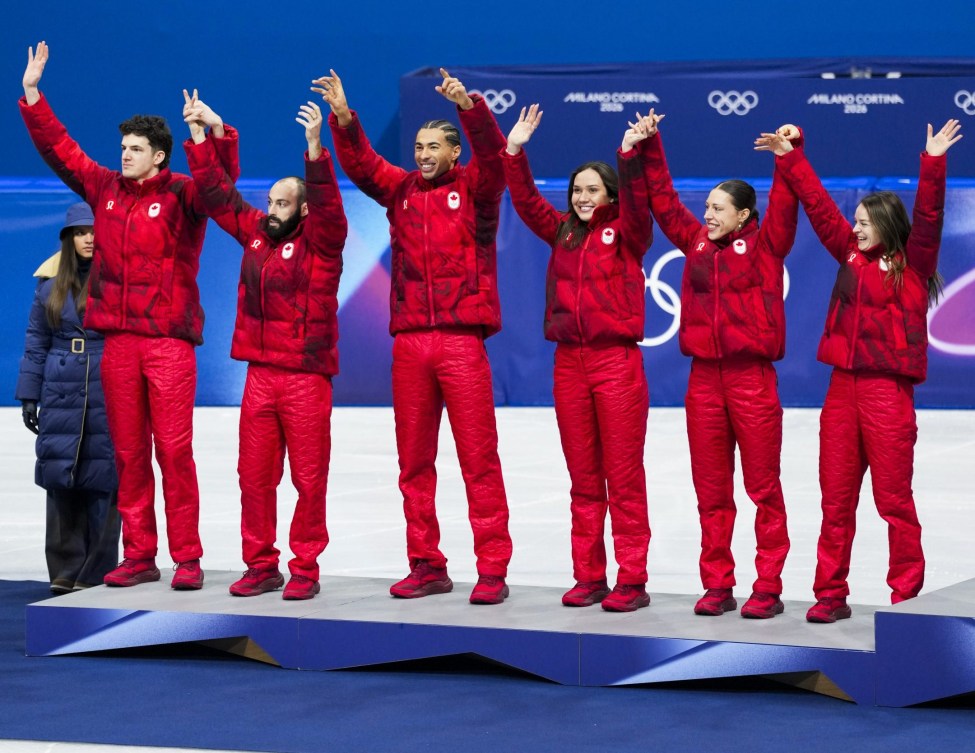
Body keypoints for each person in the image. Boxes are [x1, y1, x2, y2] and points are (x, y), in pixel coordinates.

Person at [20, 41, 239, 589]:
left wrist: (213, 132)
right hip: (117, 340)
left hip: (167, 342)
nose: (124, 154)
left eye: (135, 148)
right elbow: (61, 151)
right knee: (128, 452)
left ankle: (186, 559)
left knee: (174, 451)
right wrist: (32, 95)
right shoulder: (104, 190)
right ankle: (139, 554)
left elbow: (222, 189)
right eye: (123, 146)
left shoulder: (186, 194)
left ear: (159, 155)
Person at [318, 68, 513, 605]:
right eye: (419, 146)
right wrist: (342, 116)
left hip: (459, 341)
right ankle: (426, 563)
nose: (424, 154)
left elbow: (495, 161)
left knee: (479, 458)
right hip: (410, 344)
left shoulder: (476, 190)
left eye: (435, 147)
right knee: (413, 463)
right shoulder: (400, 190)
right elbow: (360, 164)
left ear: (455, 153)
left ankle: (492, 567)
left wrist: (468, 108)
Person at [756, 119, 963, 623]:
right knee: (836, 501)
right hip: (841, 391)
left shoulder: (914, 266)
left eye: (867, 221)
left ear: (888, 227)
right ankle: (830, 594)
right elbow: (820, 208)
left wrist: (932, 162)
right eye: (858, 220)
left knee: (894, 502)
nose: (856, 227)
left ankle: (906, 600)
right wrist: (790, 157)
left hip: (888, 394)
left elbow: (930, 213)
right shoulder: (848, 253)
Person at [183, 92, 347, 600]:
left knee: (308, 478)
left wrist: (316, 149)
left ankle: (305, 567)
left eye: (282, 203)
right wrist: (202, 133)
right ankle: (261, 564)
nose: (271, 209)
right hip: (259, 375)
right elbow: (216, 196)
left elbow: (329, 206)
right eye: (271, 201)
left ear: (302, 208)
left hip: (305, 376)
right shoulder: (257, 235)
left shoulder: (322, 241)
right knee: (253, 477)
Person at [639, 112, 801, 619]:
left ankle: (768, 586)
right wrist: (651, 144)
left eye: (717, 208)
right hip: (704, 381)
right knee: (711, 492)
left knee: (762, 488)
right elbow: (663, 201)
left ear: (745, 215)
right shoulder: (695, 245)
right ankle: (717, 584)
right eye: (706, 207)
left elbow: (790, 204)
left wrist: (787, 157)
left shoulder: (767, 245)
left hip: (752, 380)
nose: (706, 215)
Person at [501, 105, 654, 612]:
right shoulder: (562, 230)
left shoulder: (629, 233)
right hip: (569, 363)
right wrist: (516, 151)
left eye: (593, 190)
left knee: (624, 475)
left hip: (616, 363)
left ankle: (631, 578)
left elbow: (638, 200)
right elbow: (523, 201)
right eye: (577, 190)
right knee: (584, 478)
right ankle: (589, 576)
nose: (583, 197)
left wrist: (630, 154)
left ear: (610, 195)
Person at [15, 203, 120, 594]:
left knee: (104, 477)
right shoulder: (48, 285)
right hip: (59, 385)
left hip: (107, 380)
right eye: (80, 232)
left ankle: (96, 570)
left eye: (95, 230)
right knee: (61, 476)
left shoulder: (119, 279)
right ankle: (64, 567)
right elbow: (36, 341)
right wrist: (29, 395)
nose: (89, 238)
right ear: (68, 238)